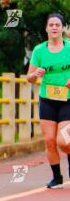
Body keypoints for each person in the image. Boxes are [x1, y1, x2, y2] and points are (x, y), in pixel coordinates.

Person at [27, 13, 70, 188]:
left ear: (63, 28)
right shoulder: (39, 50)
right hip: (47, 99)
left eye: (57, 25)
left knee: (64, 141)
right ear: (46, 28)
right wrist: (35, 74)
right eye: (51, 25)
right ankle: (57, 177)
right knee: (50, 141)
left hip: (68, 99)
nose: (54, 28)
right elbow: (28, 78)